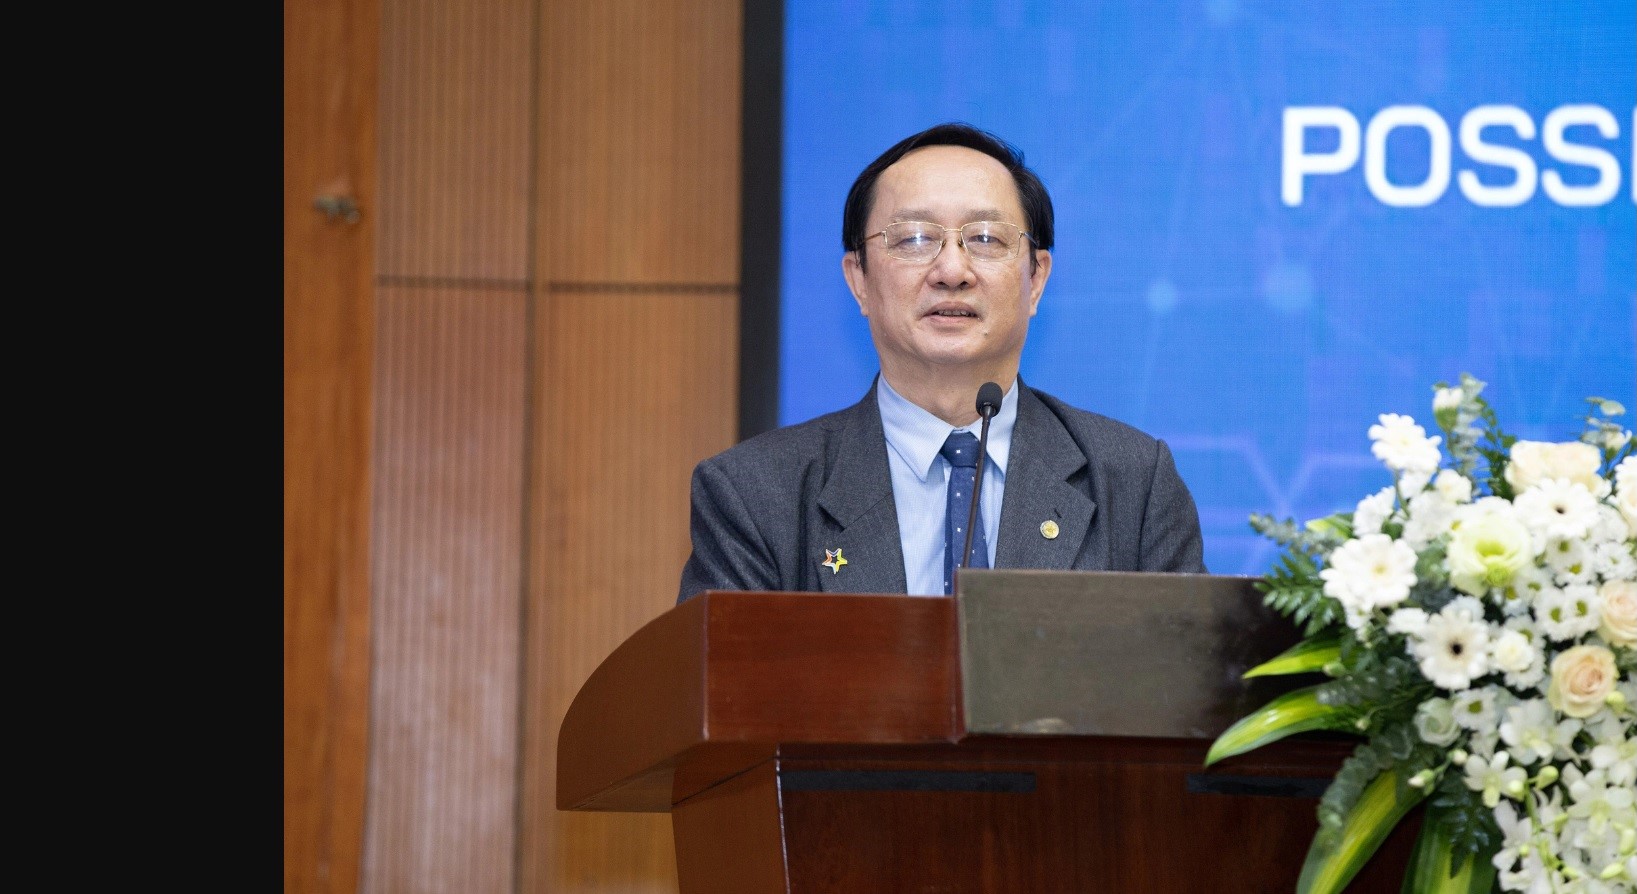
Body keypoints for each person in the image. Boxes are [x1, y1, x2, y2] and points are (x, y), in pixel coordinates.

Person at [678, 123, 1205, 602]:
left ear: (1036, 278)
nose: (952, 270)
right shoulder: (754, 494)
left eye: (984, 239)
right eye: (913, 239)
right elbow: (720, 699)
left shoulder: (1133, 483)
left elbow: (1184, 695)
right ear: (858, 279)